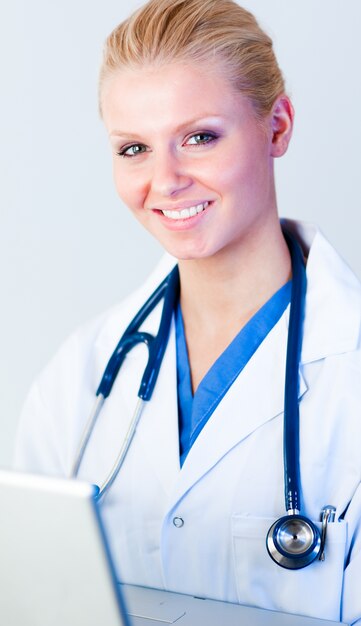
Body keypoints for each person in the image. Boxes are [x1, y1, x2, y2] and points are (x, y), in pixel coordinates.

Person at [14, 0, 361, 623]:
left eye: (199, 137)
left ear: (277, 126)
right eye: (133, 149)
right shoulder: (85, 372)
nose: (165, 180)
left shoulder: (350, 371)